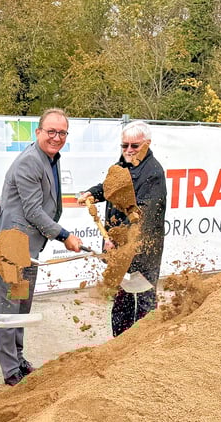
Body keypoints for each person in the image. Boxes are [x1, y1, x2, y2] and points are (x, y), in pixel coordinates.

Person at [0, 108, 84, 387]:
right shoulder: (29, 162)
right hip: (12, 246)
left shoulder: (50, 158)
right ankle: (10, 371)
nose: (56, 137)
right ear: (38, 132)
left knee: (21, 307)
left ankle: (18, 359)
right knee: (9, 309)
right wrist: (64, 235)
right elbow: (32, 210)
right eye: (51, 132)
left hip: (28, 248)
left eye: (62, 133)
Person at [78, 120, 167, 336]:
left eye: (134, 146)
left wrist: (115, 238)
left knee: (144, 304)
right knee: (122, 304)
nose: (128, 150)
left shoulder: (153, 173)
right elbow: (109, 187)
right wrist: (92, 193)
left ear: (147, 144)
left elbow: (144, 215)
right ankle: (119, 346)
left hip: (143, 252)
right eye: (124, 145)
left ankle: (144, 349)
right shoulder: (123, 164)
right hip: (119, 249)